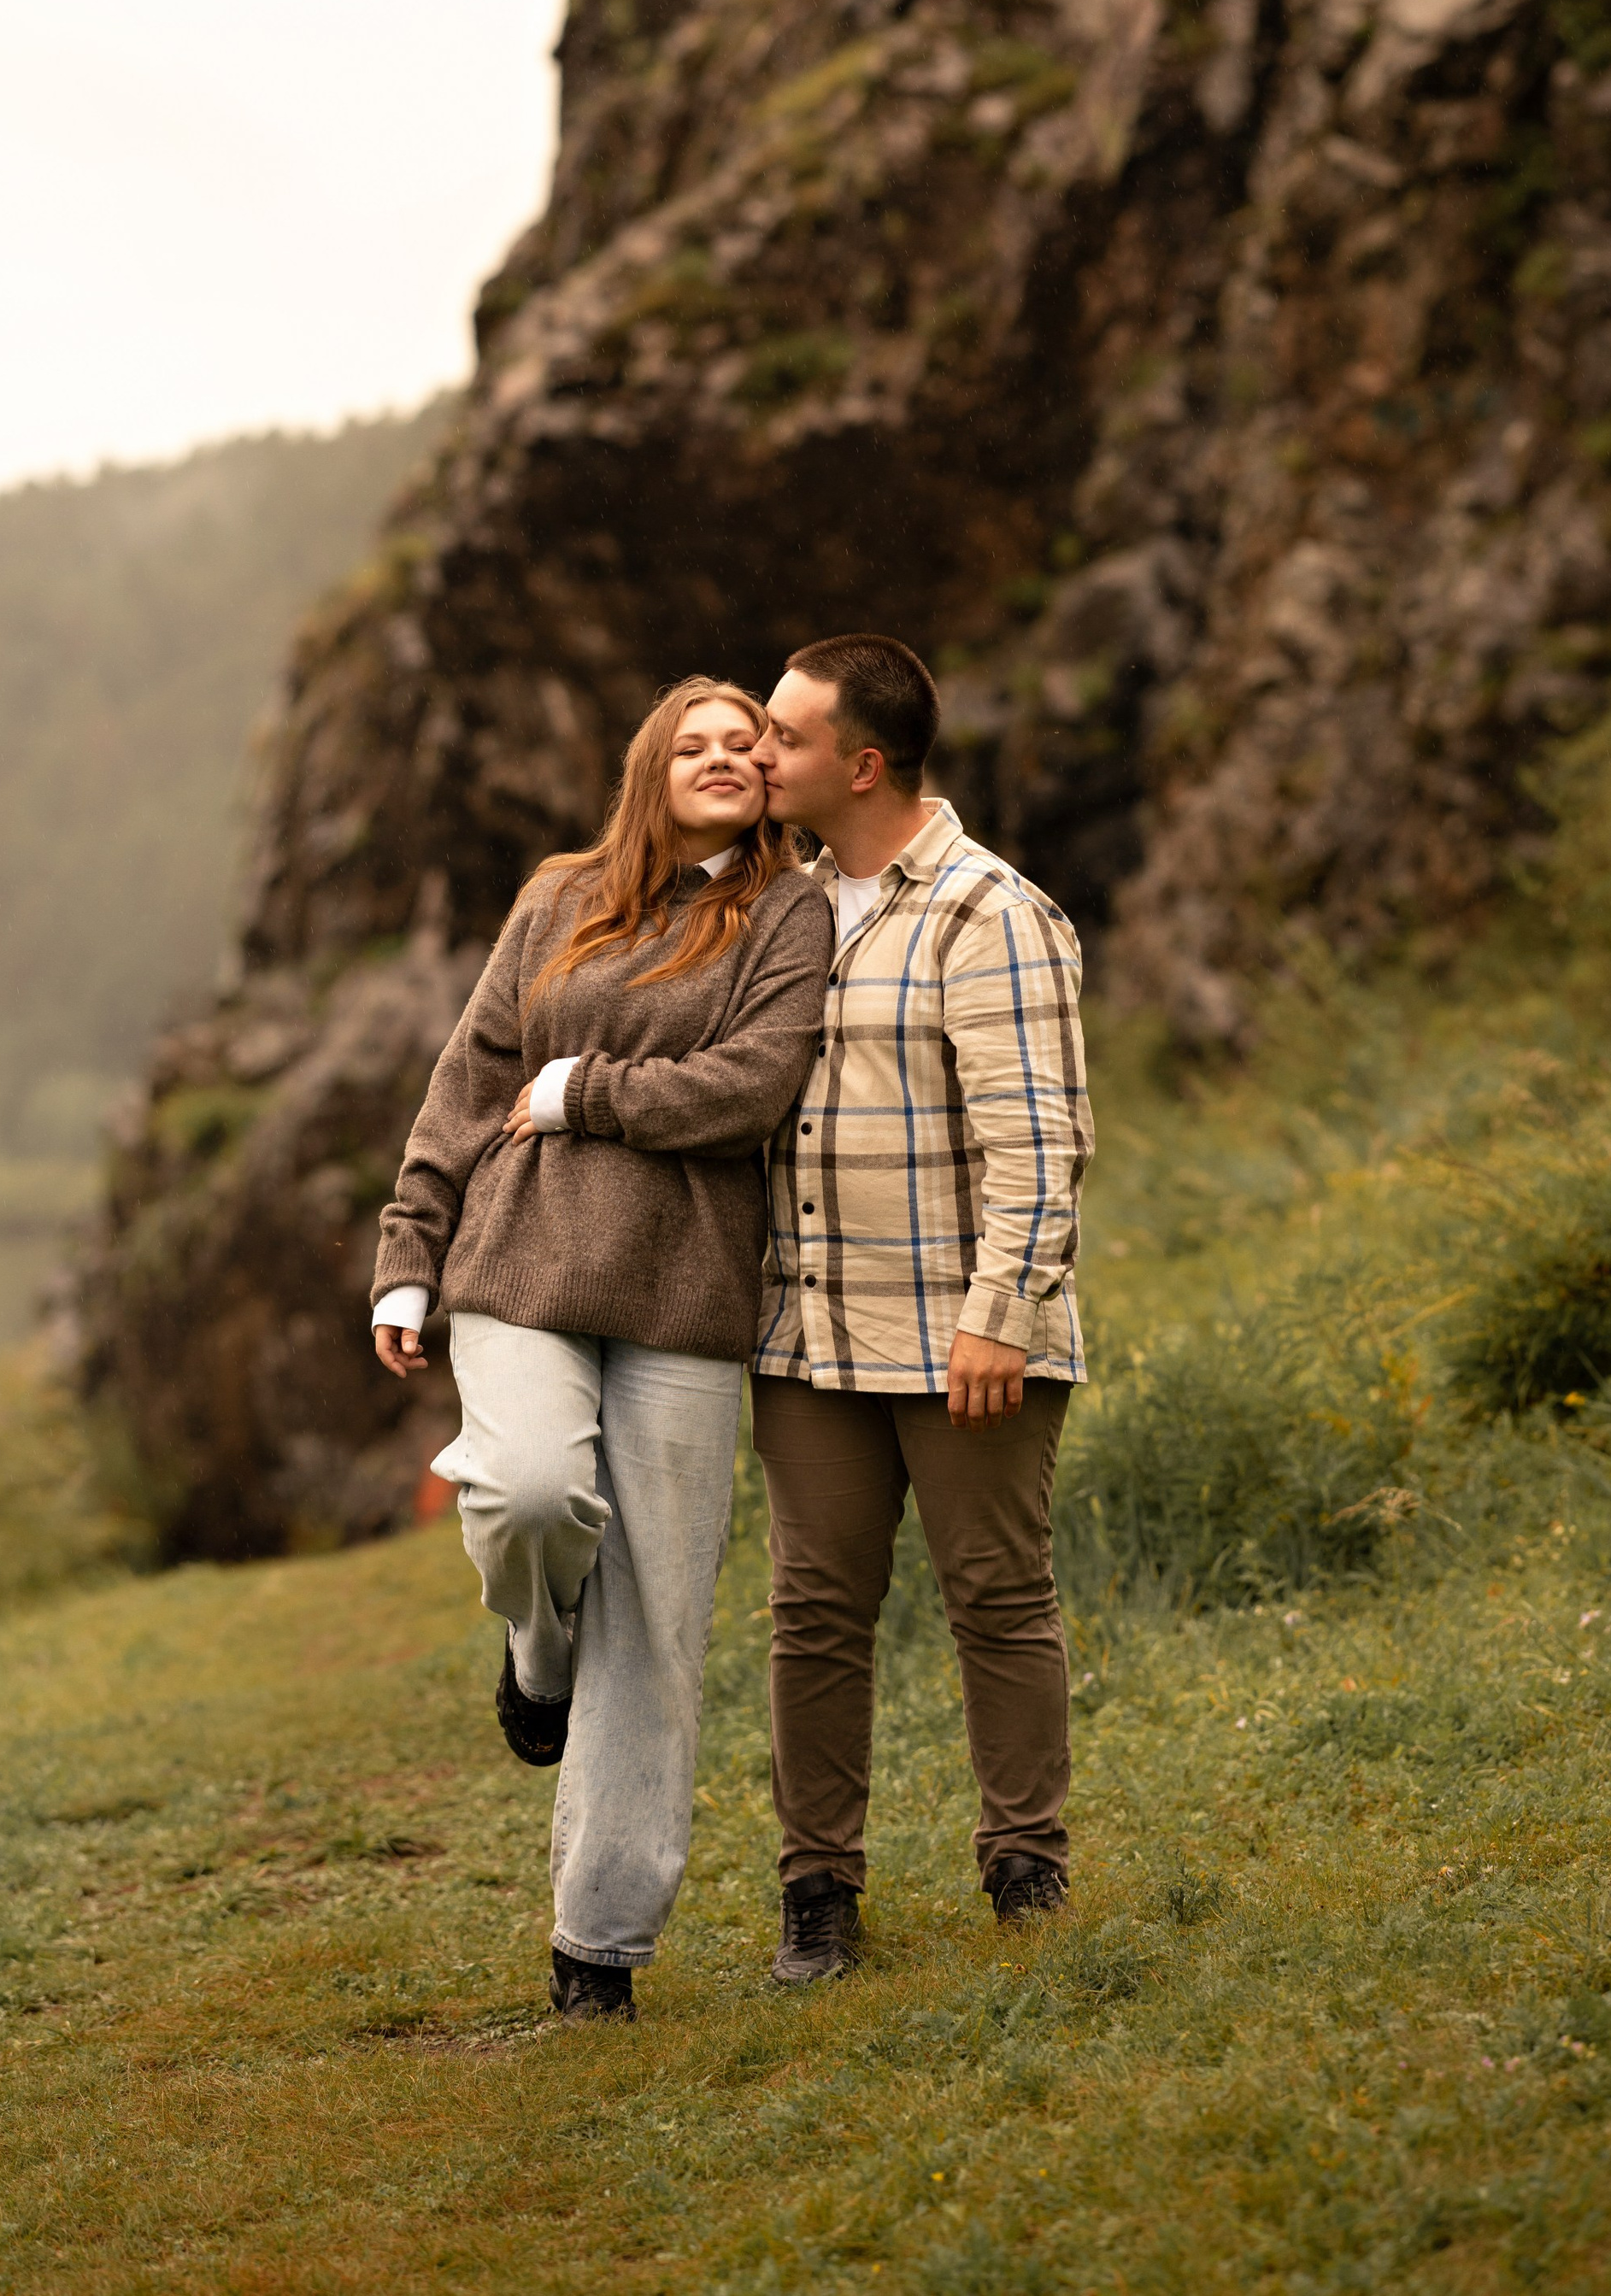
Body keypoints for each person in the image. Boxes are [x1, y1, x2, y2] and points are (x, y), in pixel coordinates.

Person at [369, 678, 834, 2023]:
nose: (723, 761)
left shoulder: (788, 911)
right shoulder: (559, 895)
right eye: (694, 745)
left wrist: (588, 1092)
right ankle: (534, 1662)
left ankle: (599, 1948)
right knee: (524, 1490)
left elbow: (759, 1079)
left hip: (686, 1296)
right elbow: (467, 1079)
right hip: (519, 1261)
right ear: (652, 768)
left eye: (746, 747)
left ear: (771, 776)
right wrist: (408, 1258)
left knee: (659, 1620)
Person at [744, 633, 1090, 1984]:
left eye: (784, 735)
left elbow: (1043, 1142)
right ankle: (817, 1895)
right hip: (810, 1339)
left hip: (967, 1336)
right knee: (812, 1613)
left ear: (862, 761)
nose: (761, 753)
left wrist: (999, 1310)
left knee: (997, 1598)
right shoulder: (786, 909)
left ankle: (1026, 1867)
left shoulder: (988, 912)